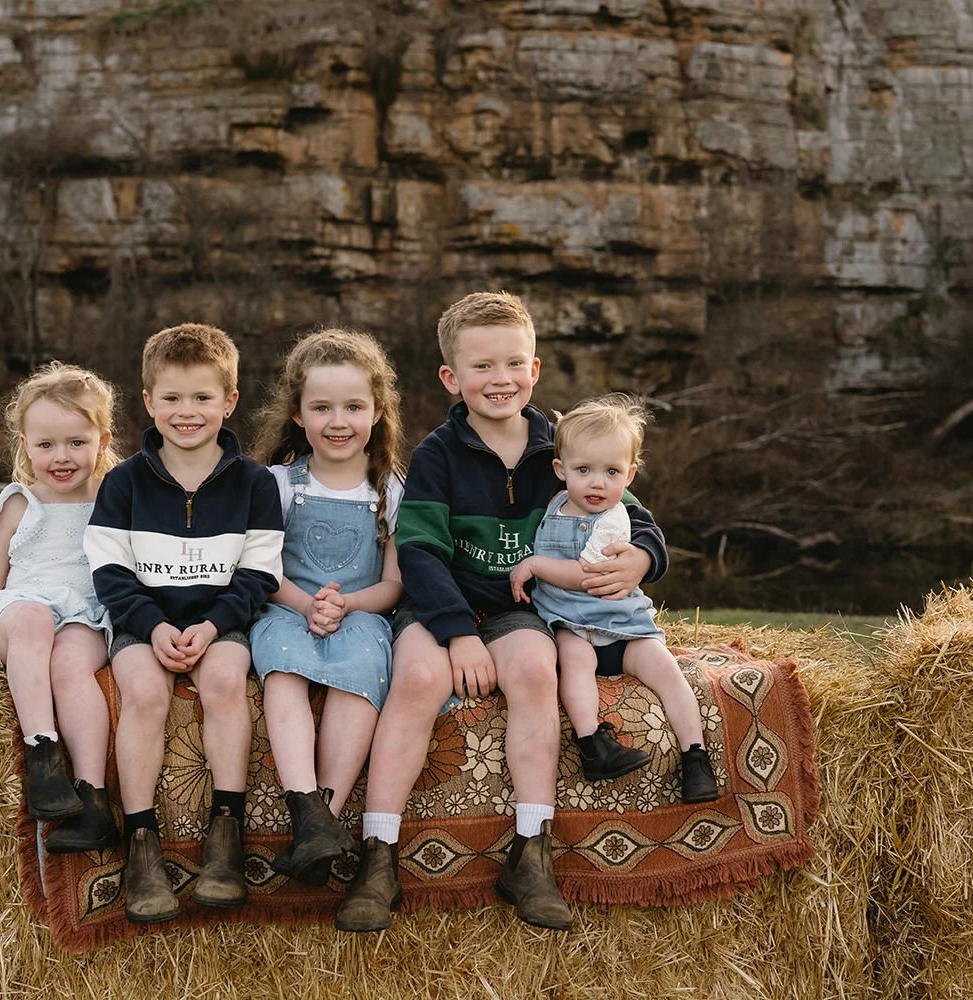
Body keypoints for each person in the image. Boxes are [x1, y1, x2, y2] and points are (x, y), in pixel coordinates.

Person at [335, 291, 670, 933]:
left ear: (535, 370)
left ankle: (531, 851)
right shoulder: (438, 454)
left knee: (537, 673)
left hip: (520, 612)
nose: (499, 380)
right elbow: (422, 552)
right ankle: (378, 854)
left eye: (513, 364)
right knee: (417, 680)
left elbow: (633, 513)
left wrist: (644, 559)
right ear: (451, 378)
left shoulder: (560, 446)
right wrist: (458, 635)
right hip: (440, 609)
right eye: (482, 366)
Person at [84, 323, 283, 924]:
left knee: (226, 683)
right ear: (148, 402)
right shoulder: (123, 483)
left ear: (230, 401)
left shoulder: (253, 484)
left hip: (221, 623)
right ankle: (141, 844)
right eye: (171, 398)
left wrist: (215, 624)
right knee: (143, 692)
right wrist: (149, 626)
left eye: (203, 397)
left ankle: (226, 836)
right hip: (143, 624)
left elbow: (260, 572)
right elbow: (109, 569)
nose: (187, 412)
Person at [0, 362, 119, 854]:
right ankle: (44, 756)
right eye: (46, 445)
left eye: (76, 443)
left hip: (84, 612)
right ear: (25, 445)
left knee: (70, 662)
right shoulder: (20, 502)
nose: (61, 457)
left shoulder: (114, 498)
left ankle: (93, 798)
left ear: (102, 440)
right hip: (19, 613)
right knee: (35, 622)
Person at [248, 329, 406, 886]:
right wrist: (306, 604)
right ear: (297, 414)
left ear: (378, 410)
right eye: (321, 407)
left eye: (354, 407)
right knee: (283, 670)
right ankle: (305, 807)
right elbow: (262, 569)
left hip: (362, 611)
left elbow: (392, 585)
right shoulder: (278, 484)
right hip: (287, 607)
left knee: (361, 674)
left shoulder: (389, 491)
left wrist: (345, 605)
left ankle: (326, 825)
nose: (338, 421)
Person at [508, 394, 718, 803]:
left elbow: (587, 577)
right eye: (583, 470)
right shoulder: (553, 506)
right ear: (560, 470)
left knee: (666, 671)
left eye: (611, 471)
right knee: (573, 660)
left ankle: (696, 754)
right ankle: (592, 742)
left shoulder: (615, 518)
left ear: (630, 475)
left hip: (623, 627)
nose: (597, 483)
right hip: (572, 626)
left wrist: (534, 565)